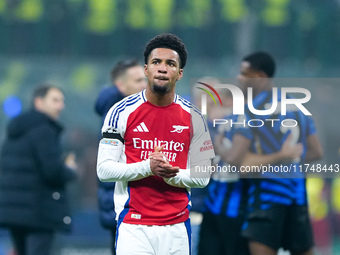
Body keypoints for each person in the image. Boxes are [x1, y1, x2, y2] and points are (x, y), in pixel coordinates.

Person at [96, 33, 214, 255]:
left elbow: (203, 176)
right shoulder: (120, 112)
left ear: (179, 74)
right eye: (156, 62)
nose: (162, 68)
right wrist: (148, 167)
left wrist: (171, 174)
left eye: (170, 64)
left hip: (177, 227)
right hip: (134, 226)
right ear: (146, 69)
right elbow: (104, 170)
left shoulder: (195, 117)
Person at [219, 52, 323, 255]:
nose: (239, 78)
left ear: (260, 77)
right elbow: (316, 151)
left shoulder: (249, 111)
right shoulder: (296, 106)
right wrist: (289, 161)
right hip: (297, 198)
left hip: (266, 199)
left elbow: (240, 164)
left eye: (243, 73)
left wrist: (278, 158)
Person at [0, 85, 77, 255]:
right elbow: (52, 170)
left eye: (62, 101)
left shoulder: (16, 130)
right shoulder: (44, 130)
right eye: (55, 100)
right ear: (39, 102)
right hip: (39, 211)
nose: (60, 106)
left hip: (14, 211)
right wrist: (70, 169)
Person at [95, 59, 146, 254]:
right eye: (138, 81)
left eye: (145, 80)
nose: (144, 85)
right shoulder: (118, 114)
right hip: (125, 202)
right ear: (121, 85)